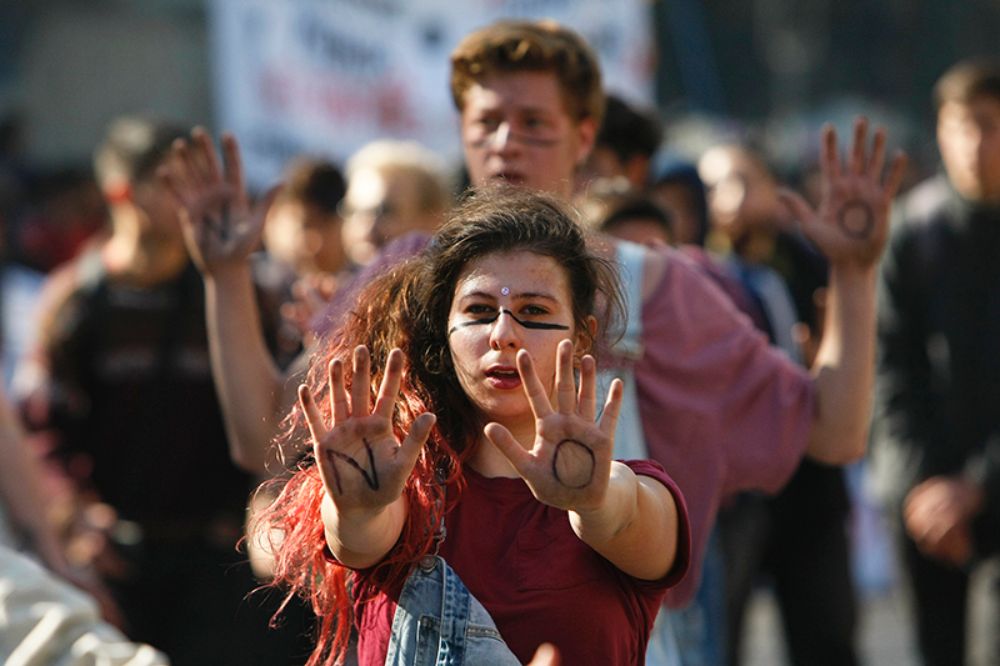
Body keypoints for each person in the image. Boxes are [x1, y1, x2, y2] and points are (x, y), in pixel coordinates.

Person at [160, 17, 906, 655]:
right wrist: (226, 281)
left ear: (585, 135)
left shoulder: (661, 289)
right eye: (487, 122)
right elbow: (273, 436)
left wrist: (855, 273)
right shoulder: (402, 275)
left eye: (534, 123)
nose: (506, 144)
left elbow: (833, 432)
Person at [249, 186, 689, 665]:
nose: (503, 334)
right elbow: (360, 537)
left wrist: (593, 498)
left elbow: (625, 517)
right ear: (444, 330)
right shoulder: (403, 481)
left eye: (534, 311)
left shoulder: (635, 490)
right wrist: (356, 506)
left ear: (582, 336)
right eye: (479, 311)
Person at [14, 117, 301, 665]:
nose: (195, 201)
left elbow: (276, 420)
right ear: (124, 192)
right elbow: (39, 427)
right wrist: (74, 514)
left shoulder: (240, 293)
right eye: (173, 185)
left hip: (226, 561)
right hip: (120, 564)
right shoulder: (76, 301)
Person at [698, 143, 857, 666]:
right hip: (735, 495)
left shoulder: (809, 259)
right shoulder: (694, 275)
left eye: (746, 180)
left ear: (773, 187)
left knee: (826, 635)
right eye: (717, 186)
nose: (734, 198)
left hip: (811, 483)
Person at [872, 58, 1000, 666]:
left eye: (993, 125)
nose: (977, 144)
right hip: (928, 498)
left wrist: (980, 485)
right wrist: (923, 485)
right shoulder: (913, 232)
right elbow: (890, 368)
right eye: (964, 125)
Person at [339, 139, 451, 269]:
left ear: (433, 218)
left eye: (384, 211)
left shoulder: (455, 287)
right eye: (353, 210)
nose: (366, 228)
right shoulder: (331, 286)